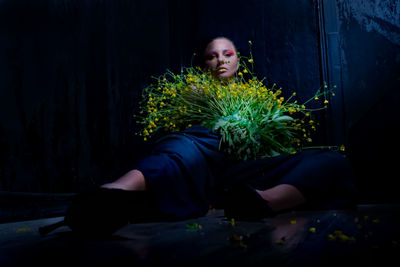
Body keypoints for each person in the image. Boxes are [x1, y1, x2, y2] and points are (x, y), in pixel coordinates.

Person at [62, 37, 357, 236]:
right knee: (191, 140)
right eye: (211, 57)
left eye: (227, 54)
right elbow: (178, 140)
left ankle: (266, 201)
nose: (220, 61)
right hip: (198, 166)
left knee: (333, 160)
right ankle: (110, 194)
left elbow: (277, 143)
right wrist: (198, 106)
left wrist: (255, 133)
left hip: (244, 174)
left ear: (240, 60)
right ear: (203, 65)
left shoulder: (262, 99)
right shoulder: (191, 93)